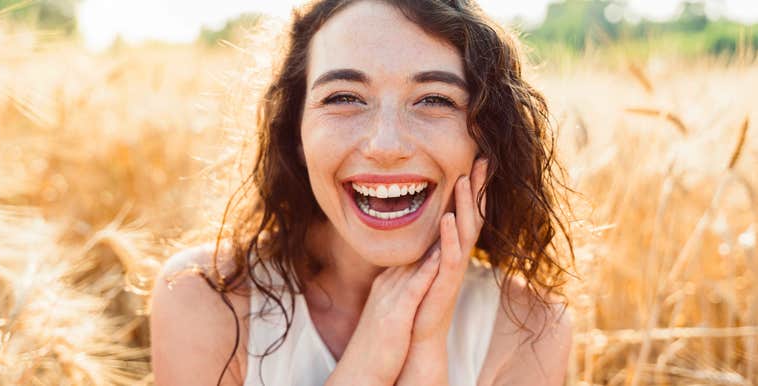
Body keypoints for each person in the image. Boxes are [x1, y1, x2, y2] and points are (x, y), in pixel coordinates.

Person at [150, 0, 575, 385]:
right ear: (296, 134)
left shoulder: (530, 328)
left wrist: (425, 355)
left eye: (434, 100)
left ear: (486, 138)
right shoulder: (206, 299)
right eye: (344, 97)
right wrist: (367, 364)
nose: (386, 146)